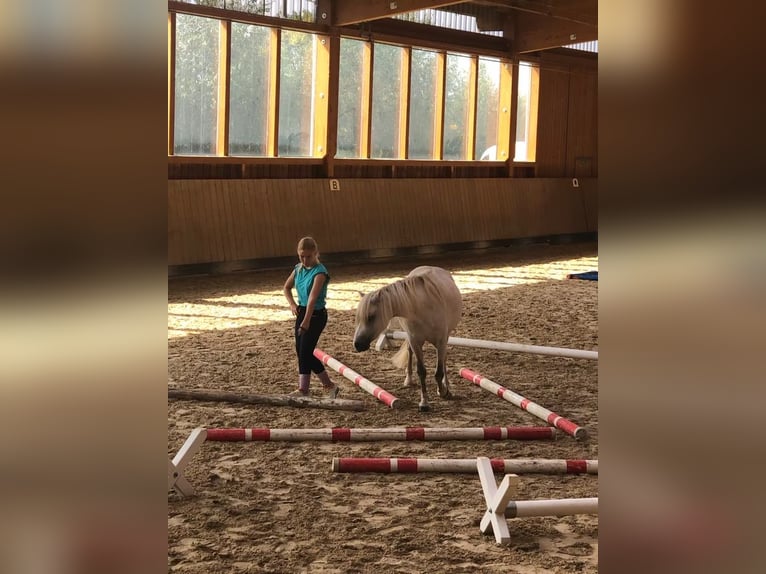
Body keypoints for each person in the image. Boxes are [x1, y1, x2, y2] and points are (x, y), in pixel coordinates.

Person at [282, 237, 339, 398]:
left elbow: (313, 298)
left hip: (316, 315)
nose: (305, 260)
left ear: (316, 253)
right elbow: (286, 287)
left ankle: (303, 389)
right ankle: (329, 385)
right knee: (301, 351)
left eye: (308, 256)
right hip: (302, 312)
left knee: (306, 351)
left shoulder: (320, 272)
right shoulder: (298, 269)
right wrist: (292, 304)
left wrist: (306, 321)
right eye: (302, 256)